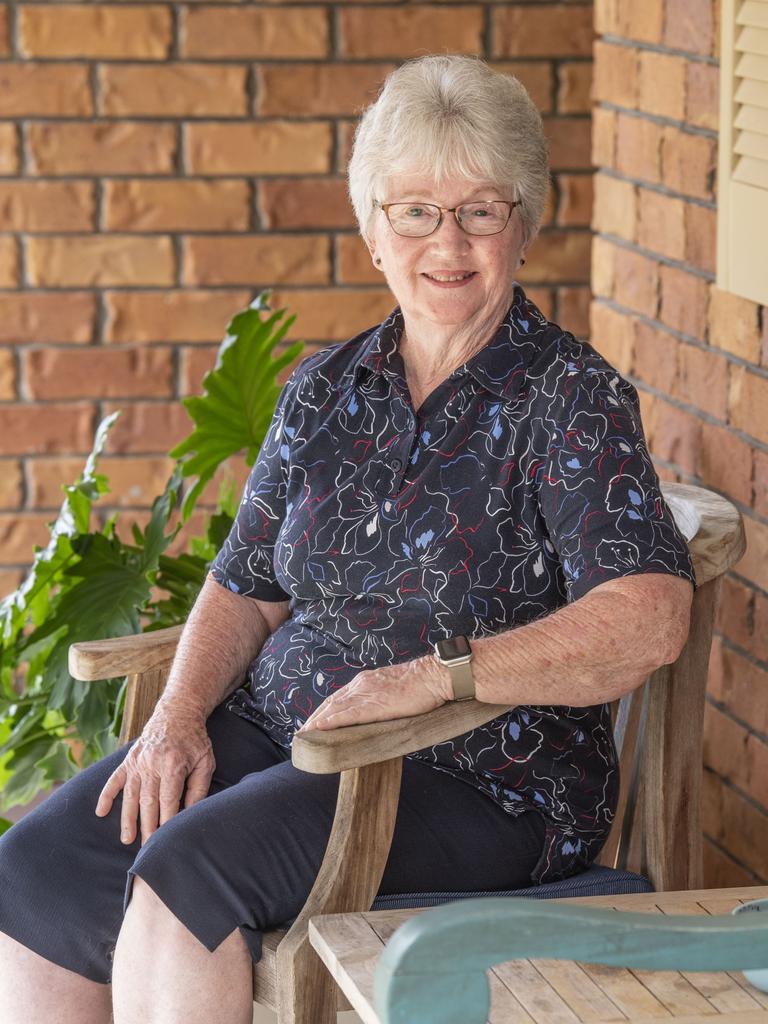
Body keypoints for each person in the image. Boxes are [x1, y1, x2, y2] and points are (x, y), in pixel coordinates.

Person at [0, 54, 695, 1024]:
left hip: (478, 771)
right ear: (374, 231)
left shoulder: (570, 400)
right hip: (292, 737)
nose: (446, 243)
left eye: (479, 211)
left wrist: (432, 676)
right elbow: (244, 586)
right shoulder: (325, 390)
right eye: (415, 211)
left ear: (524, 226)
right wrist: (178, 718)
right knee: (38, 867)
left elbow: (649, 616)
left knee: (185, 877)